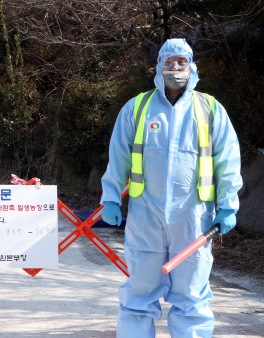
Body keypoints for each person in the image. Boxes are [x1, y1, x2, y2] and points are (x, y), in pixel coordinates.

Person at [100, 38, 242, 337]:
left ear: (192, 67)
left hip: (193, 216)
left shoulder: (209, 108)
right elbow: (118, 155)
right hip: (145, 215)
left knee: (192, 293)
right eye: (169, 62)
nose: (176, 68)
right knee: (139, 290)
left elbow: (227, 159)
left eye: (181, 62)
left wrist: (228, 204)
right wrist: (110, 197)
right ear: (158, 67)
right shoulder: (137, 107)